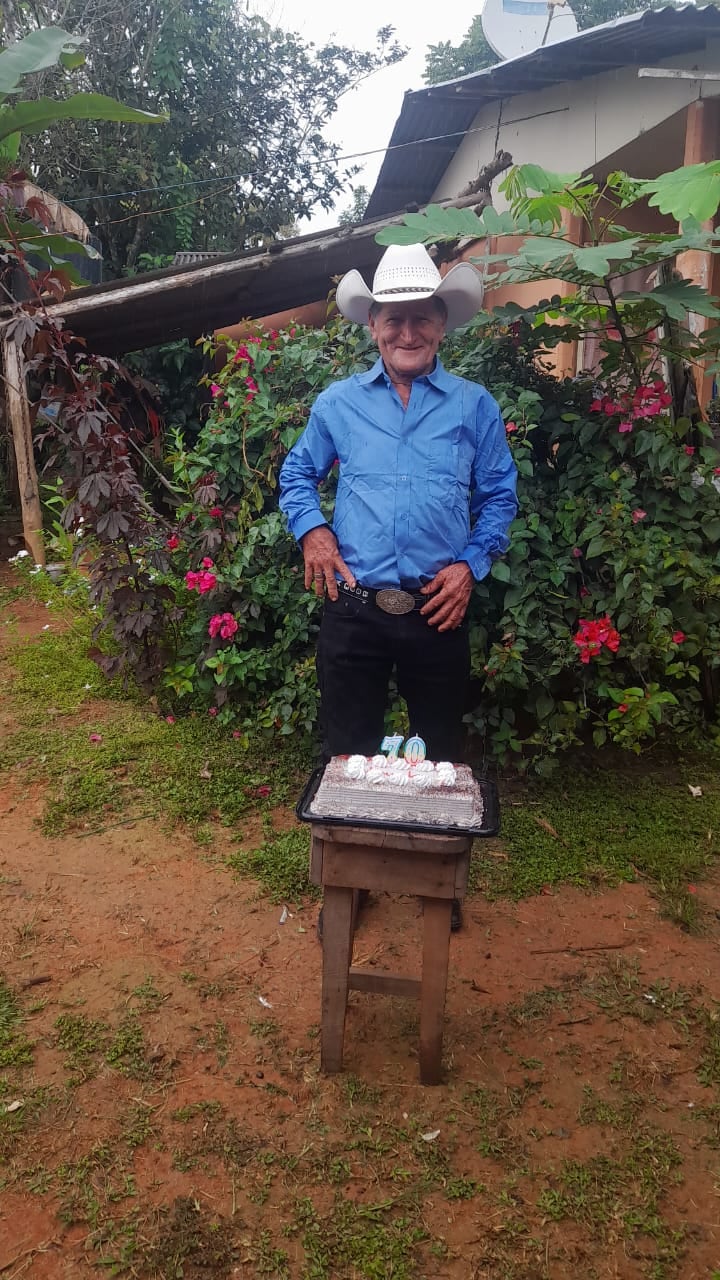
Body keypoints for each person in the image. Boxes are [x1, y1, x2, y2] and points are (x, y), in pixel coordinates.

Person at [279, 244, 518, 930]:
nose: (406, 333)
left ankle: (437, 888)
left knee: (439, 755)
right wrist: (313, 534)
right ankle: (348, 891)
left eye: (421, 319)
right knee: (347, 756)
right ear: (373, 324)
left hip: (437, 612)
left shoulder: (473, 407)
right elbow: (298, 476)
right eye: (393, 319)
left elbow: (499, 495)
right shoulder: (339, 404)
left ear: (442, 324)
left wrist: (471, 563)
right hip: (353, 611)